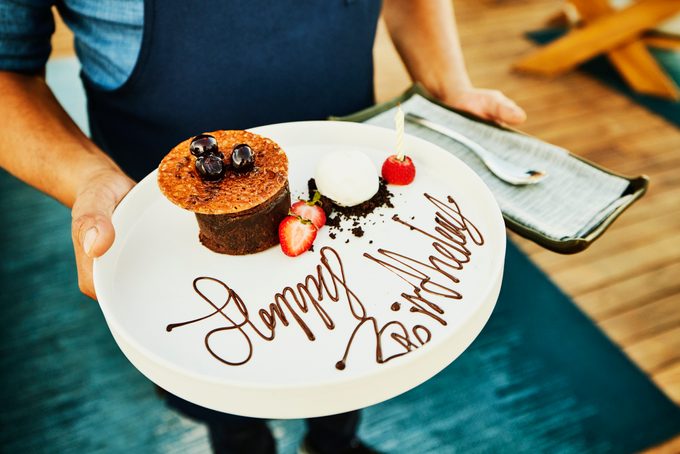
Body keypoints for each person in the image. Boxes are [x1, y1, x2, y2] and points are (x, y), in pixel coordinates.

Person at [0, 1, 526, 453]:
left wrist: (447, 86)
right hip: (181, 254)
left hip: (354, 223)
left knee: (351, 361)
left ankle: (333, 443)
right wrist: (88, 175)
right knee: (225, 401)